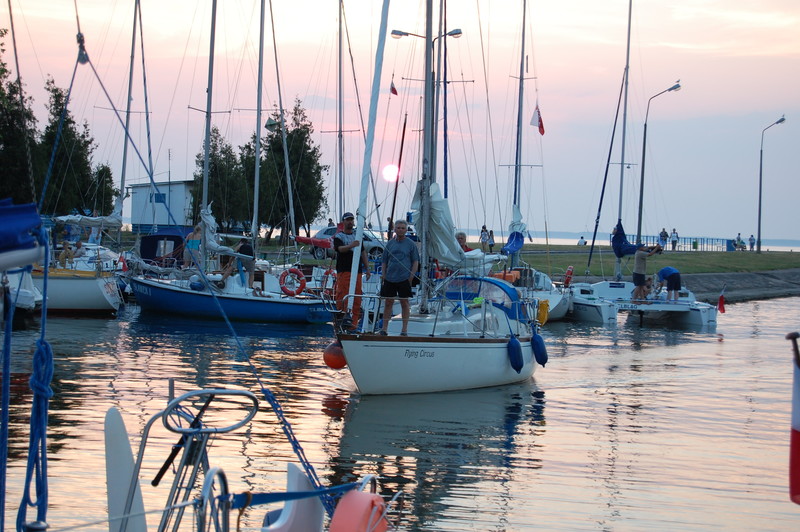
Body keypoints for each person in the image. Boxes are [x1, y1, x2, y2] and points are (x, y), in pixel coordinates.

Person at [377, 219, 419, 336]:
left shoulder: (411, 244)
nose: (400, 230)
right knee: (388, 303)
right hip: (390, 277)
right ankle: (384, 329)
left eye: (402, 228)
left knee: (404, 303)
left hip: (404, 278)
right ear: (395, 229)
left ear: (406, 230)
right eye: (398, 228)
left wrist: (411, 276)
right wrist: (384, 275)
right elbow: (384, 261)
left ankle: (404, 330)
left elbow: (415, 261)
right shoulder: (390, 243)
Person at [334, 212, 371, 330]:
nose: (350, 222)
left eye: (351, 219)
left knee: (356, 297)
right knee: (343, 295)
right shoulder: (339, 237)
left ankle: (353, 325)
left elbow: (363, 252)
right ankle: (341, 321)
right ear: (343, 222)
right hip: (344, 270)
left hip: (357, 271)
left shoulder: (357, 236)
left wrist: (367, 268)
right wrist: (351, 245)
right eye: (348, 220)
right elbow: (340, 249)